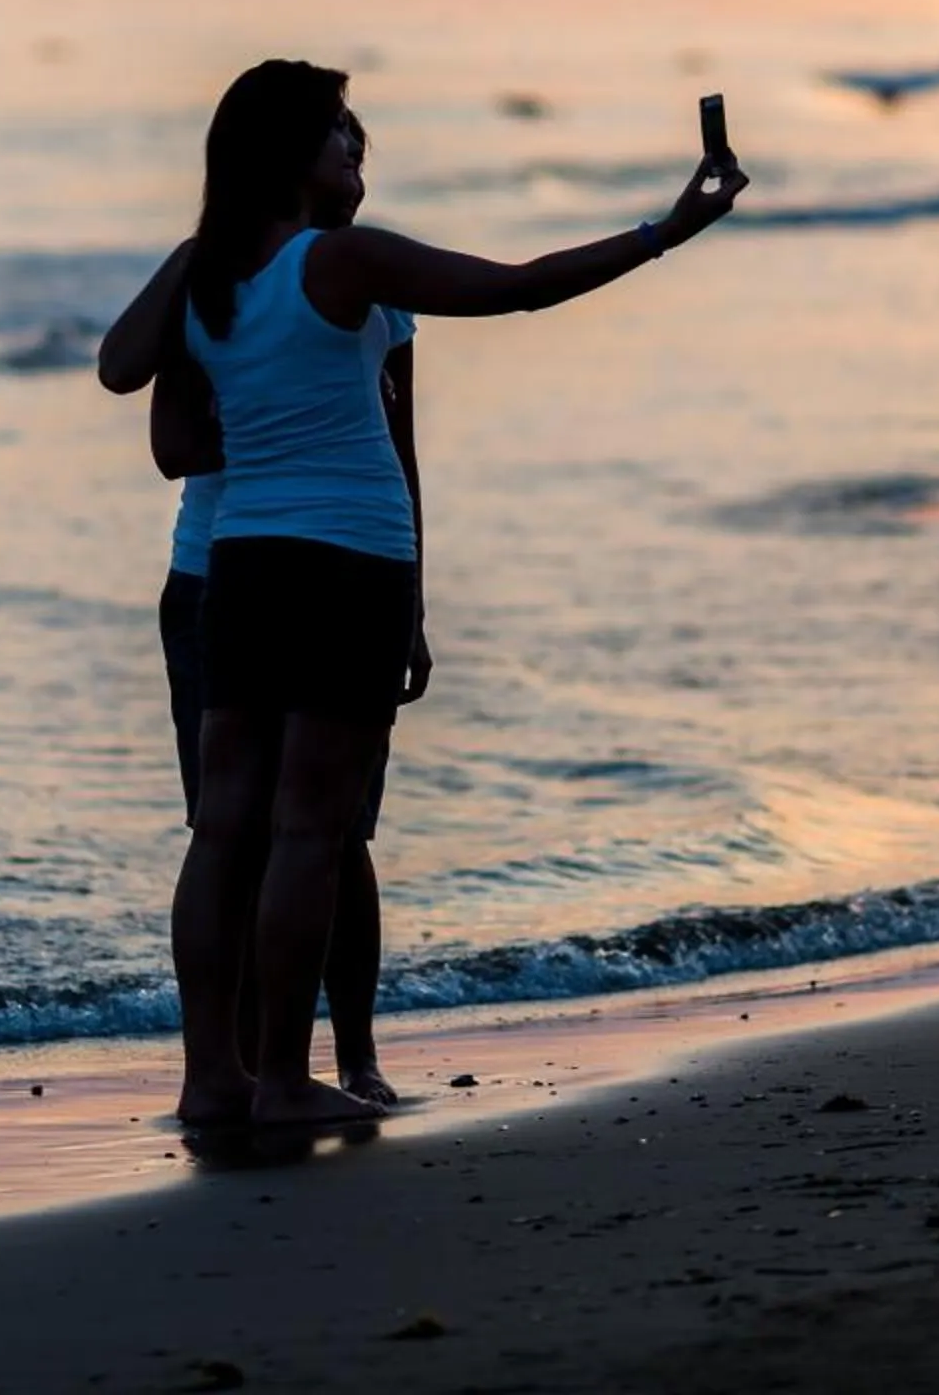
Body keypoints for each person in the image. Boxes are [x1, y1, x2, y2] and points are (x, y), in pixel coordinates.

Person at [168, 58, 745, 1126]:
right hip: (345, 559)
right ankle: (286, 1081)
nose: (354, 146)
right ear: (293, 153)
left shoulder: (205, 275)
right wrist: (668, 229)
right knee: (310, 831)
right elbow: (519, 286)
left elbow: (136, 383)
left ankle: (215, 1079)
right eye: (339, 130)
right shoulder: (342, 260)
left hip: (239, 561)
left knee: (223, 828)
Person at [96, 128, 420, 1107]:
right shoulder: (216, 282)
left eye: (364, 154)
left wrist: (413, 599)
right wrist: (287, 421)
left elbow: (398, 453)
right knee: (233, 830)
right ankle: (236, 1069)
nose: (358, 170)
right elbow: (167, 439)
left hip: (355, 566)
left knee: (337, 834)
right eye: (341, 148)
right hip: (218, 574)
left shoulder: (376, 290)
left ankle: (353, 1056)